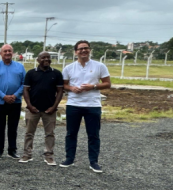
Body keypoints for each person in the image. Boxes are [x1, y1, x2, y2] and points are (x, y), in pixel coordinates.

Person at [61, 40, 111, 173]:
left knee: (93, 134)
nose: (83, 51)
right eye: (80, 49)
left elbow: (107, 84)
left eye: (86, 48)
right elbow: (64, 85)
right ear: (76, 51)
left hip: (93, 104)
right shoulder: (69, 68)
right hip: (74, 104)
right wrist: (71, 88)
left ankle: (93, 161)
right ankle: (69, 158)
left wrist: (93, 86)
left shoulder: (99, 66)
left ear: (89, 50)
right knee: (71, 133)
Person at [21, 51, 64, 165]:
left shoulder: (56, 73)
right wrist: (29, 106)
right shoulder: (31, 73)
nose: (46, 59)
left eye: (48, 58)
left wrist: (54, 107)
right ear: (38, 60)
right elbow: (25, 90)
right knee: (29, 133)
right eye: (43, 57)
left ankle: (49, 155)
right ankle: (27, 154)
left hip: (49, 110)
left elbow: (60, 91)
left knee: (50, 134)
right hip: (33, 109)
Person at [0, 44, 26, 159]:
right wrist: (3, 96)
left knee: (13, 127)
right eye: (5, 51)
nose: (7, 53)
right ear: (1, 53)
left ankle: (12, 150)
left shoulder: (20, 67)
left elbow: (24, 83)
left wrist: (15, 95)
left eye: (9, 51)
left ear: (13, 53)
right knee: (0, 127)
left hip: (16, 102)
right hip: (0, 102)